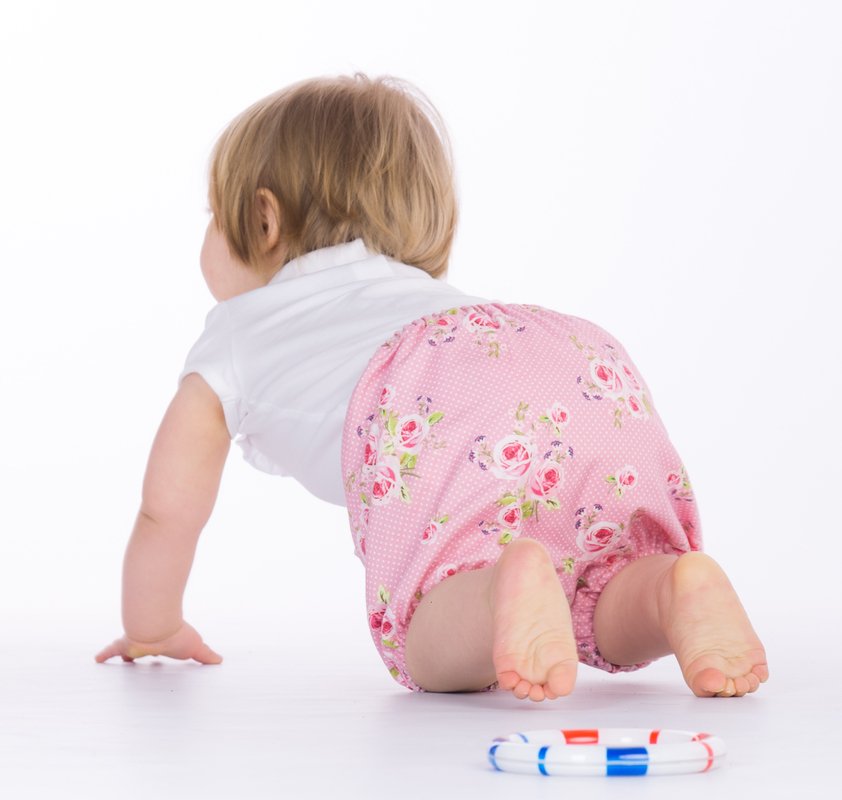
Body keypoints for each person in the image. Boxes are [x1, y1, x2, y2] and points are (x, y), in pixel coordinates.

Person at [95, 74, 768, 702]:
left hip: (426, 390)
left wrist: (153, 625)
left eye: (213, 213)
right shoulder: (413, 295)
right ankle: (670, 591)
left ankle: (500, 589)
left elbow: (167, 513)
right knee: (600, 582)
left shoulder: (237, 335)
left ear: (262, 220)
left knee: (427, 633)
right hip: (570, 358)